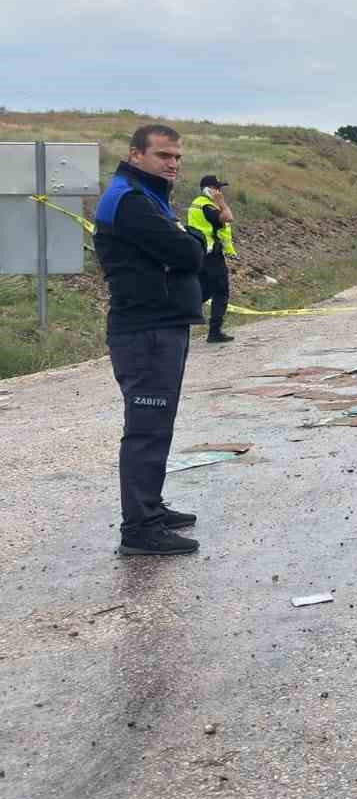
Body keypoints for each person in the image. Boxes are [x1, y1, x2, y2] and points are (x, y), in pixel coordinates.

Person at [93, 124, 206, 556]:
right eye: (163, 155)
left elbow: (181, 250)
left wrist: (187, 240)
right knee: (146, 430)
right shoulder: (131, 201)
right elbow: (188, 253)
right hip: (146, 330)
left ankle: (150, 507)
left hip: (160, 325)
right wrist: (192, 239)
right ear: (135, 154)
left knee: (157, 426)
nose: (172, 164)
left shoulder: (147, 195)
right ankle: (140, 529)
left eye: (177, 157)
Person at [187, 175, 237, 343]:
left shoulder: (197, 203)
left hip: (200, 253)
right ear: (209, 189)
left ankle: (176, 318)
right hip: (211, 256)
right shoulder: (207, 206)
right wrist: (222, 203)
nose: (220, 192)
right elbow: (228, 217)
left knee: (204, 291)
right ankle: (215, 332)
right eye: (217, 188)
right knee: (221, 291)